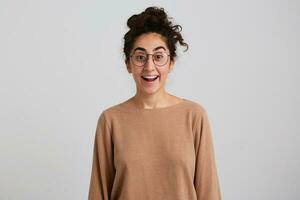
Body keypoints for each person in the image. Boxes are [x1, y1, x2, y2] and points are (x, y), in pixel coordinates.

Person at [88, 6, 222, 200]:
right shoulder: (111, 120)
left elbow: (208, 192)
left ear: (171, 62)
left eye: (158, 57)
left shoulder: (194, 116)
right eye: (140, 57)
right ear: (128, 64)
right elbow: (98, 193)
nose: (150, 67)